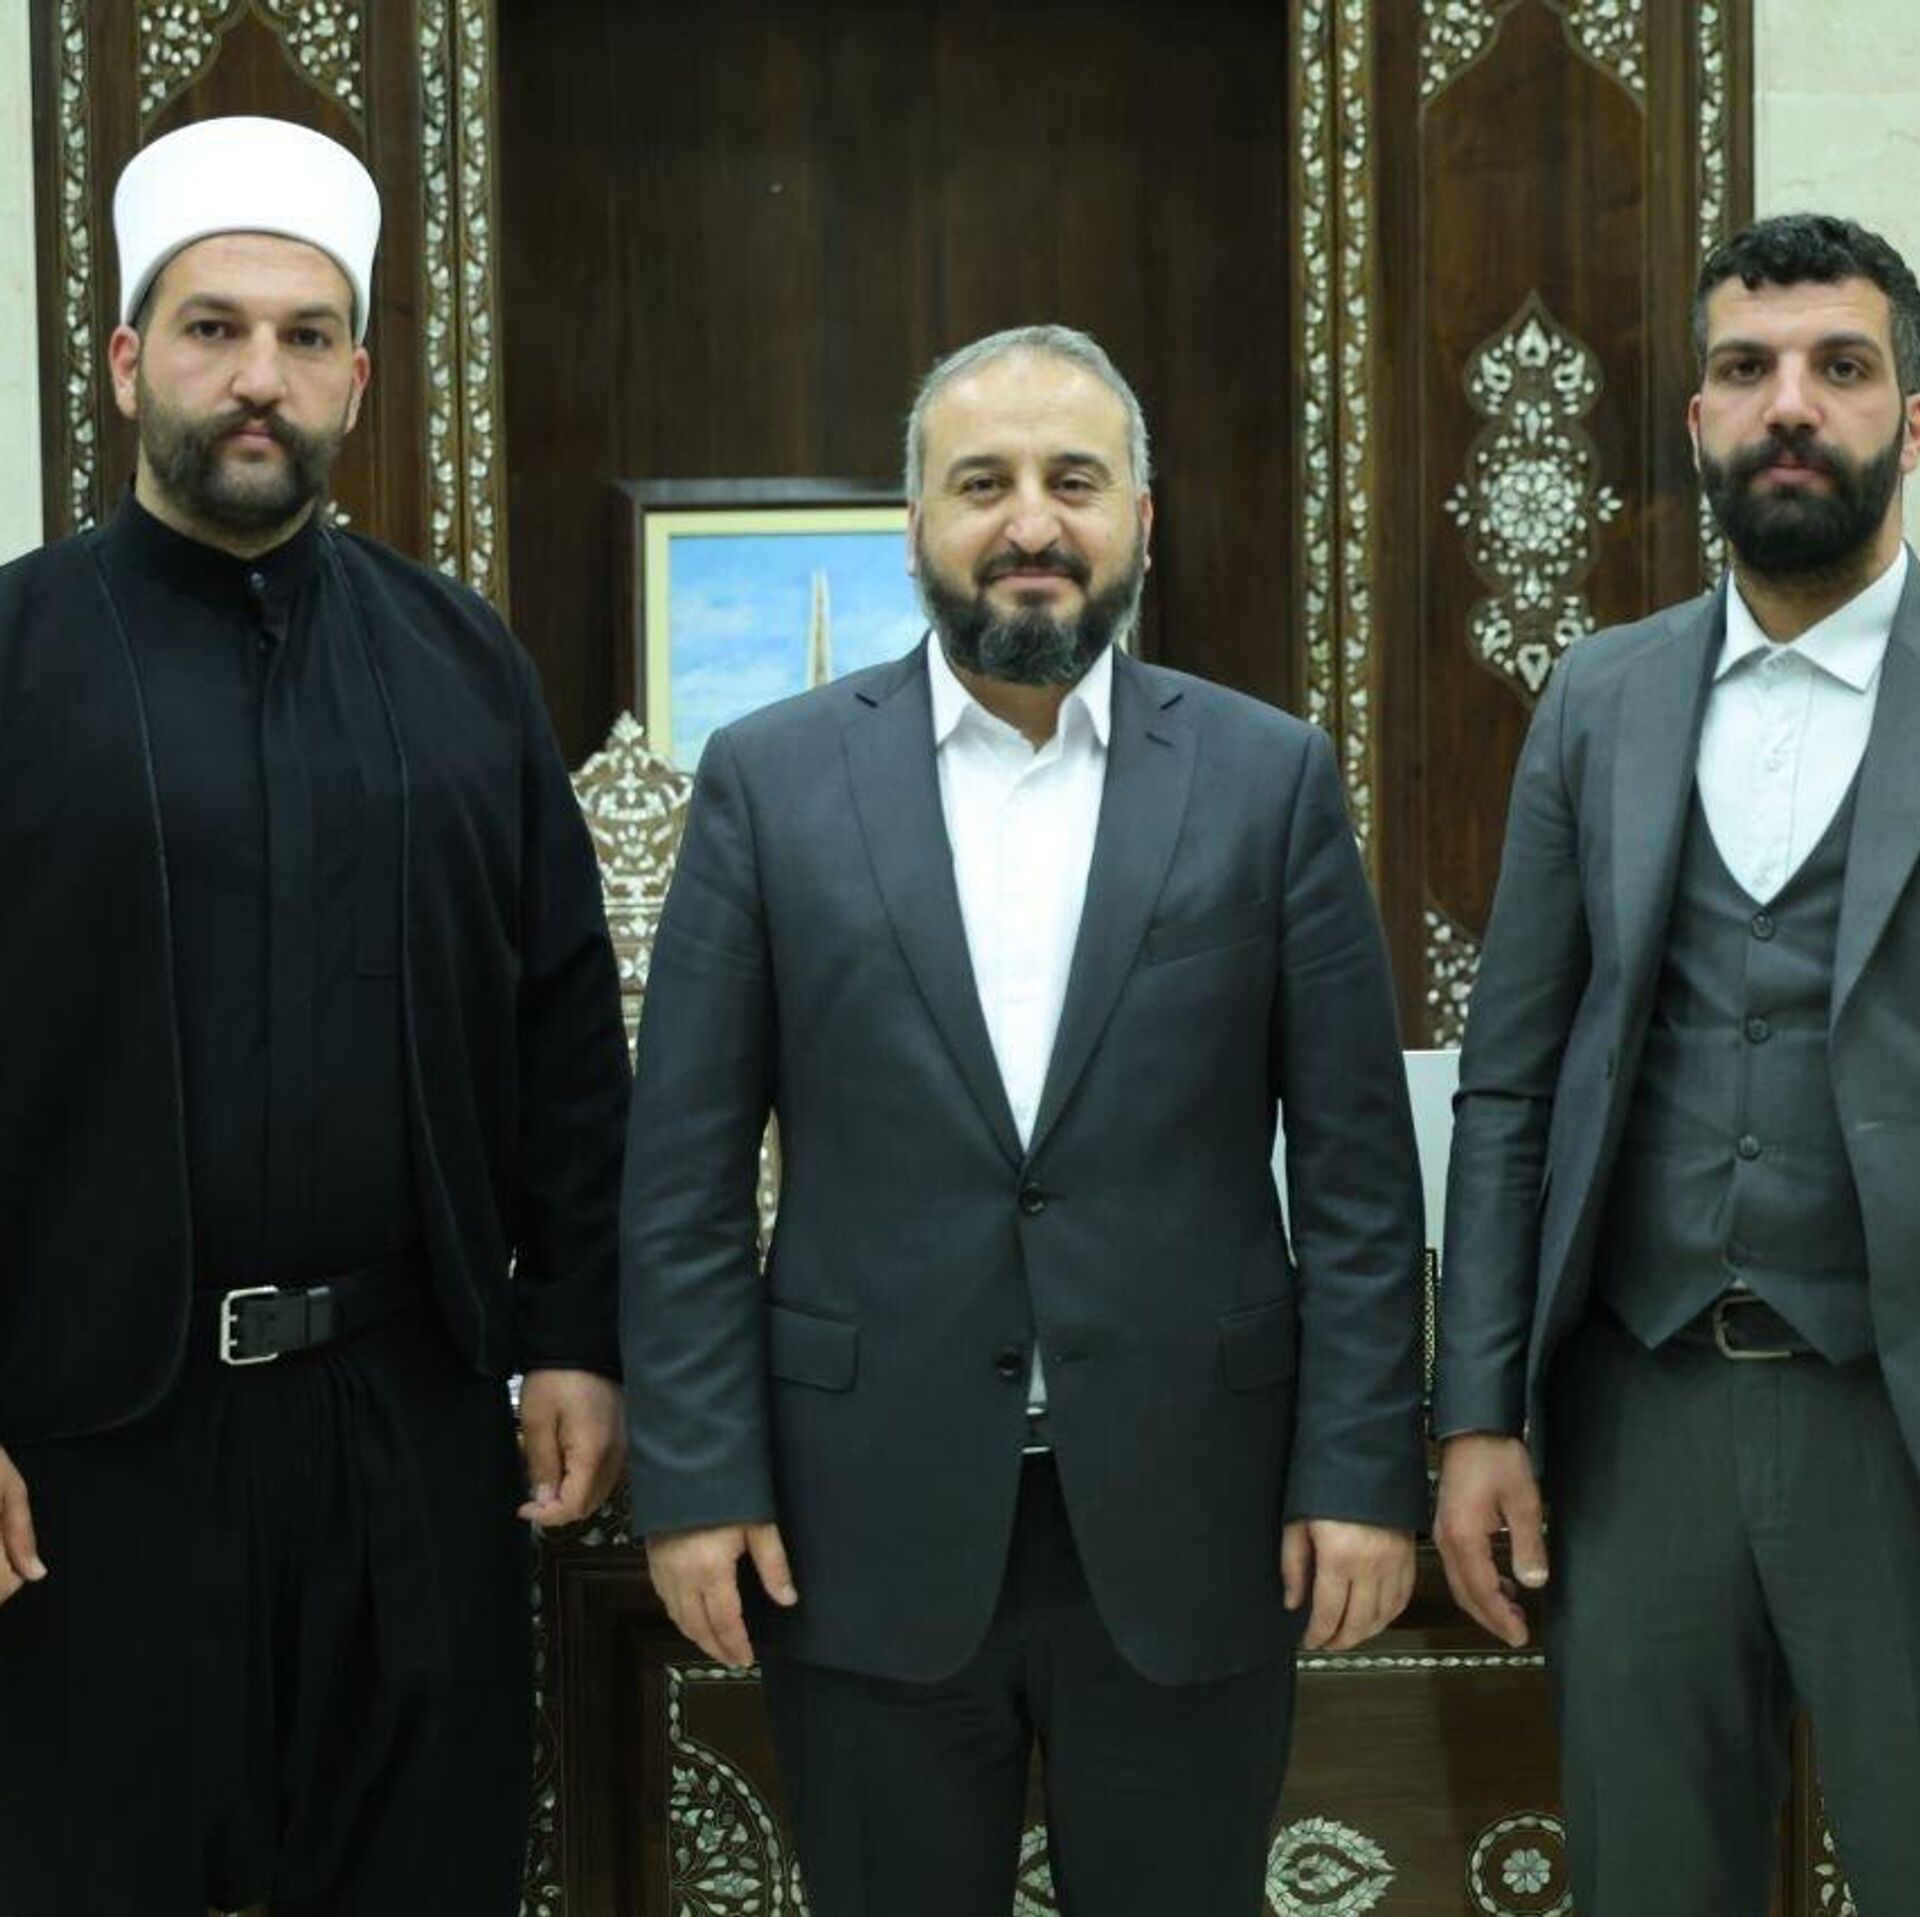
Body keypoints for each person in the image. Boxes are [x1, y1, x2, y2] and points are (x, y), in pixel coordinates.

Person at [621, 323, 1426, 1915]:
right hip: (859, 1520)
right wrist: (699, 1477)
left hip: (1199, 1519)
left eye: (1076, 479)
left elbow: (1357, 1177)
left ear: (1144, 518)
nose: (1031, 523)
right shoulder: (770, 782)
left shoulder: (1268, 778)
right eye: (982, 483)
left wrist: (1359, 1470)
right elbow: (684, 1179)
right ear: (917, 522)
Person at [0, 116, 630, 1914]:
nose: (257, 378)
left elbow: (566, 1036)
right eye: (213, 330)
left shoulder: (462, 663)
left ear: (358, 375)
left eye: (304, 335)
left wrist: (578, 1335)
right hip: (92, 1451)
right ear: (126, 363)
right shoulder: (14, 658)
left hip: (409, 1434)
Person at [1434, 212, 1920, 1913]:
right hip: (1639, 1422)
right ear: (1700, 419)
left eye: (1841, 368)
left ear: (1910, 420)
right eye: (1746, 369)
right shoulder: (1599, 698)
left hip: (1895, 1411)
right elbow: (1511, 1080)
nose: (1792, 404)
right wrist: (1477, 1411)